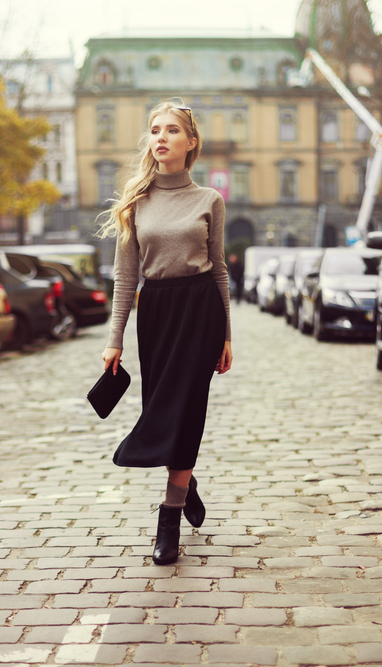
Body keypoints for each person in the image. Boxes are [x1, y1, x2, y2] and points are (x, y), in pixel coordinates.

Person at [98, 101, 233, 565]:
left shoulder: (209, 200)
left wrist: (227, 335)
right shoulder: (135, 203)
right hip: (155, 314)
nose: (161, 137)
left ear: (191, 142)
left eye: (172, 130)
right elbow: (125, 277)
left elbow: (219, 271)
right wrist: (115, 338)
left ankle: (169, 518)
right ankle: (186, 481)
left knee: (188, 411)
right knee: (164, 411)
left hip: (201, 313)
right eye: (155, 130)